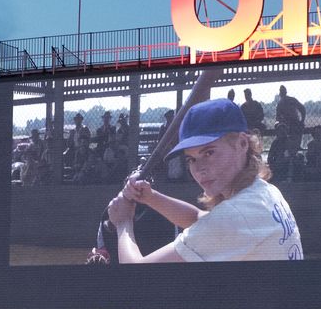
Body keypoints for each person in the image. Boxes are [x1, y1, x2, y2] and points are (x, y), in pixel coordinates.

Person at [103, 98, 304, 263]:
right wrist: (150, 197)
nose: (199, 169)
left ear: (242, 143)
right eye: (191, 159)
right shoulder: (263, 192)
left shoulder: (236, 215)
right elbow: (201, 220)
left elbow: (137, 276)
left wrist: (123, 222)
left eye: (209, 152)